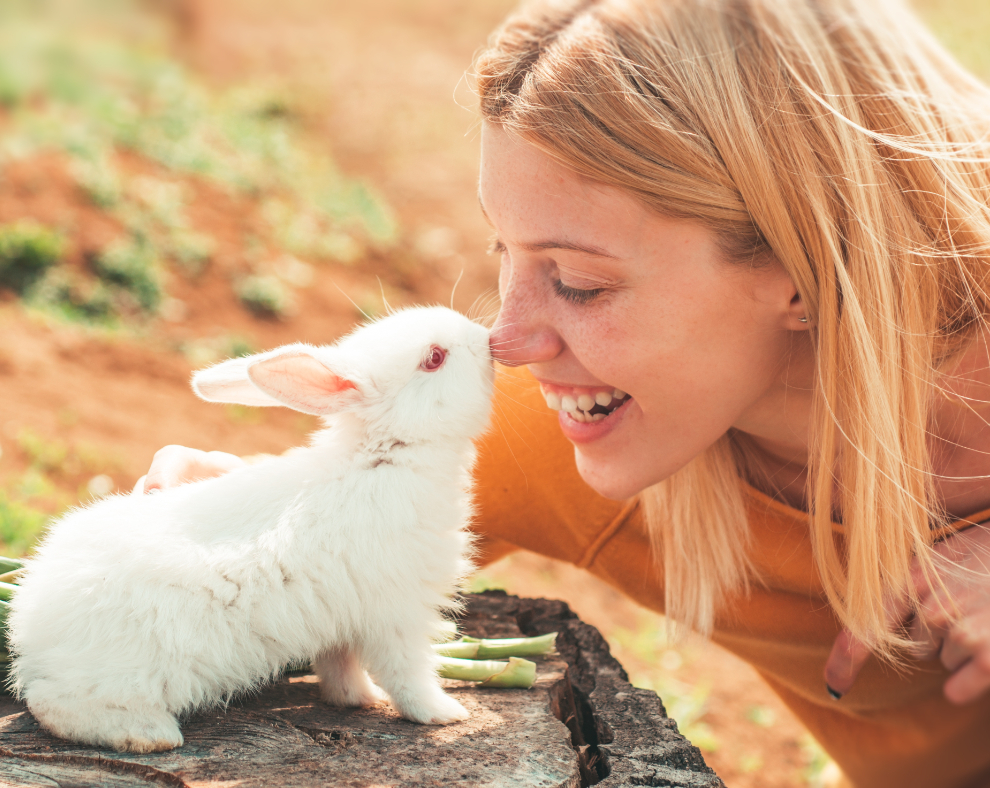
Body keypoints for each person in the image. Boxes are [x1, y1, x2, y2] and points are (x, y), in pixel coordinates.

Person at [137, 0, 990, 785]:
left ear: (805, 273)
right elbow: (331, 552)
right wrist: (235, 520)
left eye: (579, 281)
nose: (509, 341)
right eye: (502, 252)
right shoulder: (564, 434)